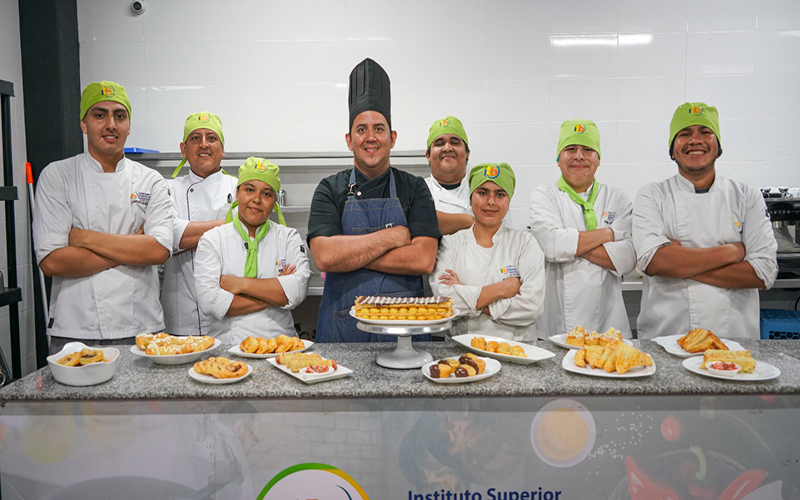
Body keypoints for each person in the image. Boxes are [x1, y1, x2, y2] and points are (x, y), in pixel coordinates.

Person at [33, 80, 173, 353]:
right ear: (84, 124)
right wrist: (133, 246)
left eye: (119, 116)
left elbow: (158, 251)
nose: (111, 124)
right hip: (75, 330)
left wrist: (82, 238)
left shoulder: (150, 180)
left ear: (128, 126)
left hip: (142, 328)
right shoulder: (57, 176)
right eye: (100, 115)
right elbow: (52, 261)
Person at [308, 58, 440, 342]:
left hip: (405, 334)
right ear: (348, 139)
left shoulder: (414, 188)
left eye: (379, 129)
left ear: (392, 138)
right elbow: (325, 256)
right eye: (361, 129)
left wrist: (350, 256)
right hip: (342, 334)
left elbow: (423, 259)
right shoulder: (329, 189)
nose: (371, 137)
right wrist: (395, 236)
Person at [632, 102, 778, 339]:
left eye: (705, 132)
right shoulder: (652, 195)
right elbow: (654, 262)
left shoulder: (746, 196)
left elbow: (763, 273)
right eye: (685, 134)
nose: (695, 140)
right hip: (666, 338)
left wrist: (679, 264)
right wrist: (732, 252)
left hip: (733, 342)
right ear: (672, 149)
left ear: (718, 145)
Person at [529, 120, 636, 338]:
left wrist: (567, 244)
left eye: (587, 149)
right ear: (558, 159)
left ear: (598, 159)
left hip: (609, 325)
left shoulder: (618, 198)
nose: (579, 156)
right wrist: (609, 234)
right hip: (557, 327)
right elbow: (551, 246)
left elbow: (627, 260)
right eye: (570, 149)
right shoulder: (543, 195)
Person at [194, 158, 310, 344]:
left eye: (266, 193)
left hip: (281, 346)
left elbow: (298, 291)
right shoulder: (213, 239)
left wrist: (240, 284)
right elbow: (209, 301)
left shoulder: (288, 237)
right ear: (237, 193)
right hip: (228, 347)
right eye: (249, 190)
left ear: (274, 202)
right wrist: (276, 295)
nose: (257, 199)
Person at [430, 163, 545, 340]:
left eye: (500, 194)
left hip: (517, 350)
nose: (490, 201)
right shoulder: (450, 243)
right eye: (482, 193)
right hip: (461, 350)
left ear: (509, 201)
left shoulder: (525, 243)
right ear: (470, 199)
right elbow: (445, 301)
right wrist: (503, 288)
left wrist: (466, 294)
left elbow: (532, 306)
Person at [161, 111, 237, 335]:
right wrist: (229, 226)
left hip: (230, 317)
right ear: (183, 149)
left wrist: (188, 234)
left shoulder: (241, 187)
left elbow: (250, 237)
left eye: (211, 138)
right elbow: (168, 237)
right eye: (195, 138)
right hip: (181, 315)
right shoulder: (167, 189)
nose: (204, 144)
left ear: (222, 149)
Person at [424, 116, 474, 235]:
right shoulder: (417, 189)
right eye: (439, 143)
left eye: (455, 142)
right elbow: (422, 221)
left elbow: (501, 235)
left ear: (467, 153)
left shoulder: (483, 189)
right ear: (428, 155)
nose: (447, 148)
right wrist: (474, 222)